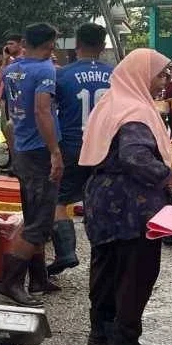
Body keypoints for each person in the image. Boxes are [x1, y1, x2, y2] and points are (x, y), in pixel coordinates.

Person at [80, 48, 172, 345]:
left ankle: (101, 330)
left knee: (107, 265)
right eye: (159, 75)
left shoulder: (110, 103)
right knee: (136, 269)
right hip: (132, 203)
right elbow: (135, 157)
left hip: (103, 197)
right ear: (140, 76)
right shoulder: (135, 111)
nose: (165, 81)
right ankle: (124, 340)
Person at [0, 23, 63, 306]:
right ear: (50, 43)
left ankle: (38, 277)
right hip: (39, 150)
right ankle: (11, 283)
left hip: (22, 147)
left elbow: (7, 113)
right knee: (40, 220)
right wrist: (55, 152)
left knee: (33, 212)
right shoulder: (45, 69)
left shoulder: (11, 69)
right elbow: (42, 109)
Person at [48, 23, 113, 277]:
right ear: (103, 45)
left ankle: (66, 252)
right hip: (105, 148)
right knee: (97, 200)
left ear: (77, 44)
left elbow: (48, 111)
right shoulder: (115, 75)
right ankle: (102, 254)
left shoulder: (62, 75)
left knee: (58, 200)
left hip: (72, 145)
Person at [0, 32, 24, 171]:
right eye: (7, 44)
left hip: (16, 100)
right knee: (6, 129)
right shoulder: (9, 62)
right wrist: (5, 60)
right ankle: (12, 160)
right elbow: (0, 78)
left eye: (12, 43)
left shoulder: (22, 61)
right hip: (6, 98)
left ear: (20, 44)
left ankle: (17, 163)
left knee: (14, 130)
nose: (8, 46)